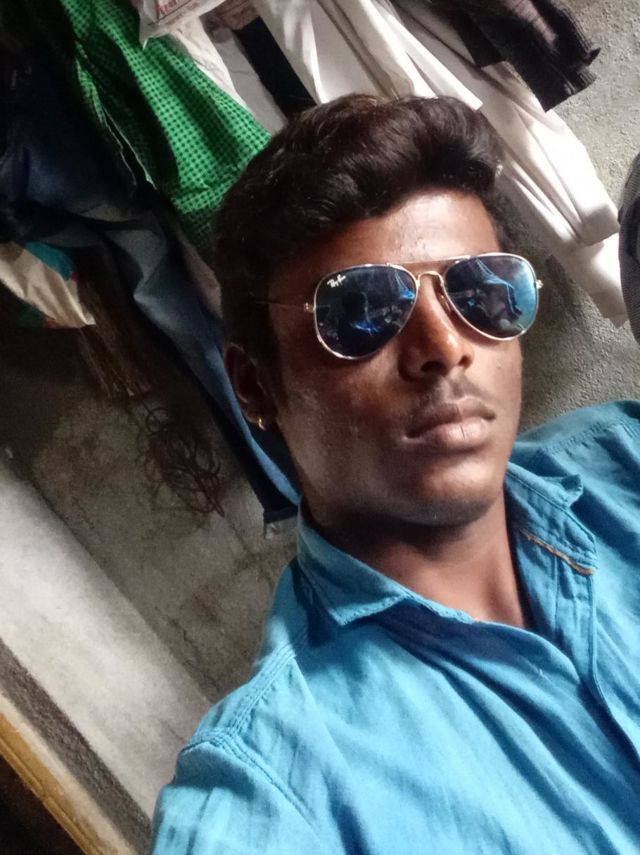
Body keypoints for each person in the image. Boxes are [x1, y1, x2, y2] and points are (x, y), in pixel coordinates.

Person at [151, 95, 640, 854]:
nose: (444, 347)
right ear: (254, 386)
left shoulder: (627, 462)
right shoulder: (281, 790)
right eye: (361, 312)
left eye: (481, 291)